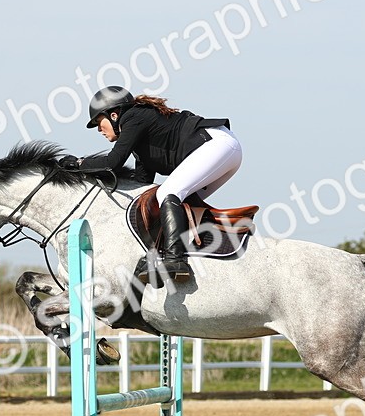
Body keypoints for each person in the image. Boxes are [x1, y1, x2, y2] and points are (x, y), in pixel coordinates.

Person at [61, 86, 242, 283]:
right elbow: (142, 185)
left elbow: (113, 162)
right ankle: (168, 255)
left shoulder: (133, 117)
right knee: (164, 202)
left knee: (168, 192)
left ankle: (175, 260)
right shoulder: (139, 137)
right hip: (223, 150)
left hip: (217, 144)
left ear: (114, 115)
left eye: (99, 122)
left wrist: (79, 164)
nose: (98, 129)